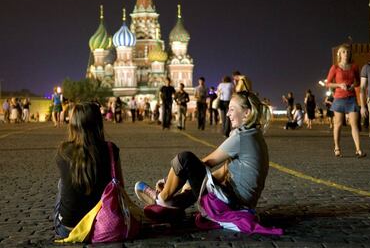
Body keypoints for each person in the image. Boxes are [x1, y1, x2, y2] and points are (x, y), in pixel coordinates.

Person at [134, 91, 272, 217]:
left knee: (184, 159)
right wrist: (190, 182)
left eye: (231, 109)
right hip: (242, 204)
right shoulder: (254, 134)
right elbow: (224, 170)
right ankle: (174, 204)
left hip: (232, 204)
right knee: (203, 181)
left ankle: (161, 198)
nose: (228, 114)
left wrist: (173, 180)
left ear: (246, 113)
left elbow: (207, 162)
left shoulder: (241, 137)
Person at [54, 102, 124, 237]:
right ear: (98, 123)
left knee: (62, 183)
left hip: (68, 229)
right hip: (104, 225)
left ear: (73, 125)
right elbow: (120, 186)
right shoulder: (110, 149)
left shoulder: (63, 150)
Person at [326, 43, 365, 158]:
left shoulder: (354, 66)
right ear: (339, 54)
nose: (346, 54)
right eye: (343, 52)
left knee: (354, 125)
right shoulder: (335, 67)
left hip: (351, 98)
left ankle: (358, 149)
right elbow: (327, 83)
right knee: (337, 125)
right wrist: (339, 85)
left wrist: (353, 85)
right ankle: (337, 147)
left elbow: (358, 81)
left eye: (348, 52)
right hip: (339, 98)